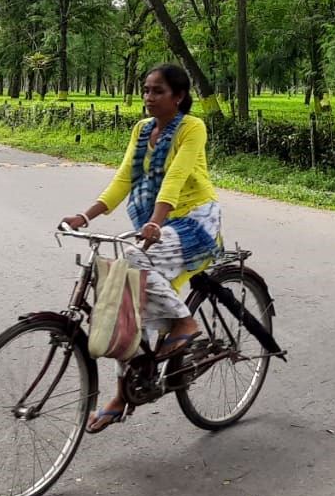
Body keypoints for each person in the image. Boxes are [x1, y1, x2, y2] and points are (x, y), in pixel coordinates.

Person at [60, 63, 222, 433]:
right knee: (126, 304)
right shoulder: (142, 129)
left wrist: (157, 220)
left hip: (193, 220)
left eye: (157, 91)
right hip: (157, 224)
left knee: (131, 261)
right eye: (146, 90)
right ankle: (124, 394)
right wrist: (85, 217)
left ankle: (184, 321)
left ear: (178, 97)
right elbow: (123, 180)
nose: (148, 98)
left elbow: (176, 177)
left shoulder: (192, 127)